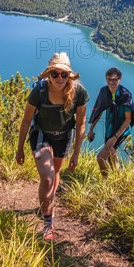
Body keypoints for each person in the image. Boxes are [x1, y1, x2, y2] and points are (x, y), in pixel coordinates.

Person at [16, 53, 89, 241]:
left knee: (55, 174)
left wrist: (76, 153)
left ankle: (48, 205)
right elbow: (26, 120)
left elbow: (81, 123)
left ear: (69, 75)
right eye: (54, 74)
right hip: (41, 134)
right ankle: (48, 222)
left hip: (64, 137)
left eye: (63, 74)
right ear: (48, 75)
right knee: (48, 179)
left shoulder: (78, 92)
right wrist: (20, 148)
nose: (59, 78)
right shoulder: (39, 91)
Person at [87, 67, 134, 178]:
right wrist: (91, 129)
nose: (111, 82)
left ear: (120, 79)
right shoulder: (104, 91)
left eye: (114, 80)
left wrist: (115, 137)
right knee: (112, 156)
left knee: (101, 158)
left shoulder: (126, 95)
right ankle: (120, 179)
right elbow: (98, 110)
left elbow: (128, 119)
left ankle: (106, 182)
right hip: (110, 128)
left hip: (120, 131)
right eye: (109, 79)